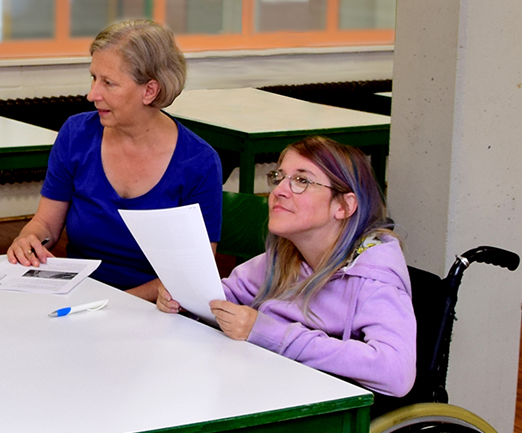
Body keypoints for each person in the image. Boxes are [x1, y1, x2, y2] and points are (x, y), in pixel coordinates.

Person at [156, 136, 417, 398]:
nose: (279, 190)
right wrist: (186, 298)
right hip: (267, 390)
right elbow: (225, 296)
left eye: (302, 181)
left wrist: (269, 333)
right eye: (280, 177)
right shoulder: (286, 255)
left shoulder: (374, 278)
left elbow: (395, 373)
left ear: (344, 206)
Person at [6, 19, 223, 301]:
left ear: (150, 91)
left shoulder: (199, 162)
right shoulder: (76, 134)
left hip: (154, 309)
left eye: (108, 83)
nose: (92, 94)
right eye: (93, 78)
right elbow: (46, 224)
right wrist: (30, 239)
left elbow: (194, 274)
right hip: (79, 296)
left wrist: (118, 304)